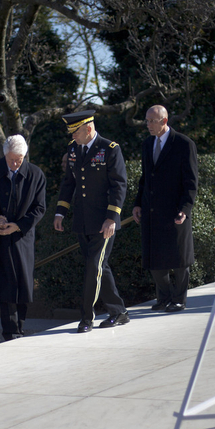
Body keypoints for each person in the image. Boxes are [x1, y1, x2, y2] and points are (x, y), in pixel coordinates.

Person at [54, 110, 129, 333]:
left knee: (92, 267)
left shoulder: (110, 149)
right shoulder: (73, 149)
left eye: (75, 132)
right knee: (99, 267)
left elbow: (119, 185)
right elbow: (69, 182)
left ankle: (87, 317)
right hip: (83, 220)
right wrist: (60, 211)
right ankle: (119, 311)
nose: (72, 136)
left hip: (103, 222)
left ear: (88, 129)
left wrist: (112, 217)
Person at [0, 135, 46, 340]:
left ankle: (19, 328)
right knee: (5, 286)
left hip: (22, 239)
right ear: (4, 154)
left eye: (19, 159)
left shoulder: (35, 174)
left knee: (24, 285)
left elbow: (40, 207)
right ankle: (11, 332)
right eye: (11, 159)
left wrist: (18, 226)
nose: (15, 164)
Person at [133, 105, 198, 312]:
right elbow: (145, 178)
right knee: (155, 259)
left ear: (164, 120)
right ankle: (163, 298)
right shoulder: (147, 144)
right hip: (152, 211)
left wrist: (185, 208)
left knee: (179, 260)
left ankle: (179, 299)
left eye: (152, 121)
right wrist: (137, 203)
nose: (149, 125)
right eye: (147, 121)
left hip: (175, 210)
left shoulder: (183, 144)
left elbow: (191, 181)